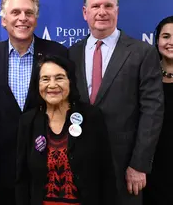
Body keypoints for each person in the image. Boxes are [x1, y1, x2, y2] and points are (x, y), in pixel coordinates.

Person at [68, 0, 164, 205]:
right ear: (85, 12)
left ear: (117, 11)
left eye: (108, 6)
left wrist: (139, 165)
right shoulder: (72, 53)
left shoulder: (142, 52)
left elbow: (152, 111)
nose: (102, 12)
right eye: (95, 6)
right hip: (80, 165)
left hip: (125, 167)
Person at [0, 0, 67, 205]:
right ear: (4, 20)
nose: (22, 18)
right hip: (2, 168)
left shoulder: (58, 53)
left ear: (36, 19)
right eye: (15, 12)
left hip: (50, 164)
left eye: (29, 13)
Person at [15, 55, 117, 205]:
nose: (52, 85)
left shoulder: (91, 117)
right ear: (37, 84)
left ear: (70, 81)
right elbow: (22, 179)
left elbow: (106, 173)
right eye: (45, 79)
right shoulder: (28, 121)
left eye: (59, 78)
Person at [143, 16, 173, 205]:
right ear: (157, 40)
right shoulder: (146, 73)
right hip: (153, 160)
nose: (171, 43)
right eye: (166, 36)